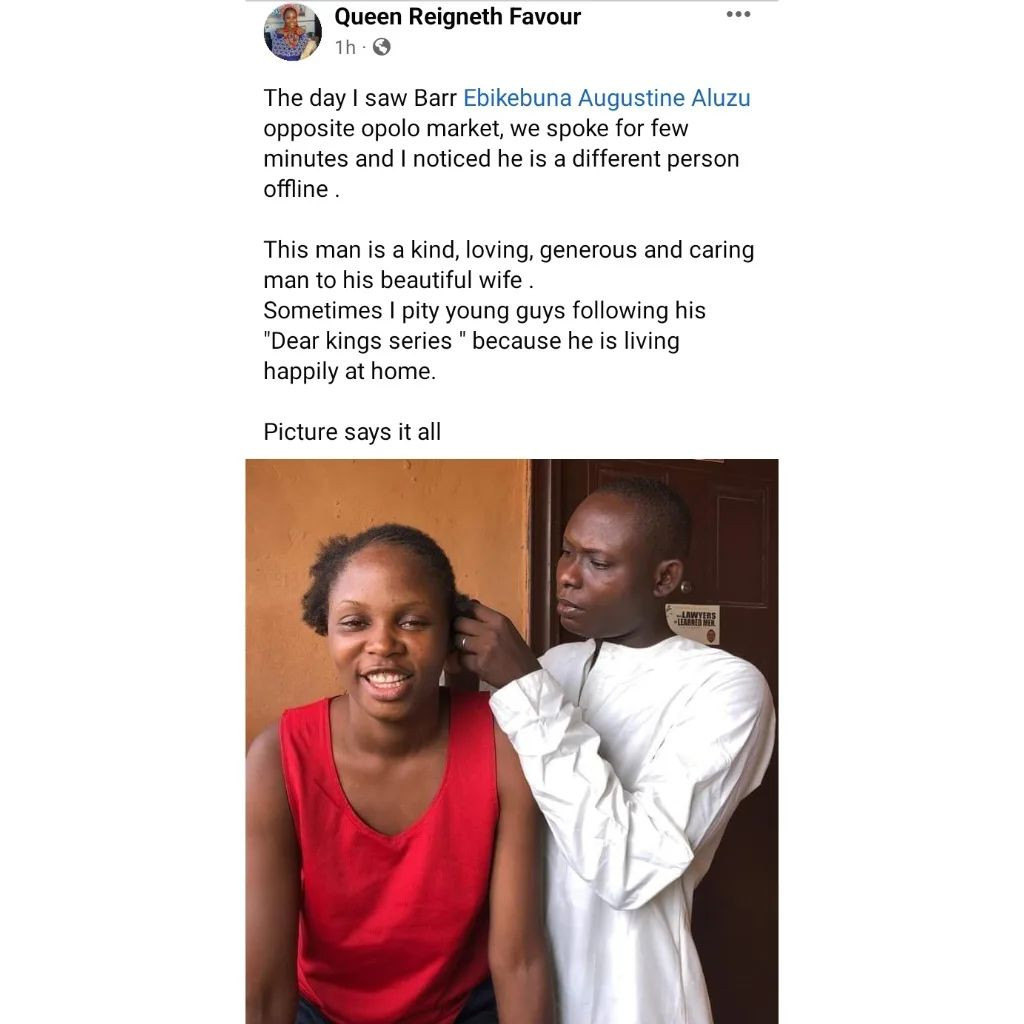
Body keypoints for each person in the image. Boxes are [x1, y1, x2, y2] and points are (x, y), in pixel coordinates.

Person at [454, 479, 776, 1024]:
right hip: (517, 991)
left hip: (630, 996)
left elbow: (628, 867)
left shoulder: (726, 687)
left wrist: (525, 687)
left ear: (664, 578)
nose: (567, 575)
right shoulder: (555, 666)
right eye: (566, 551)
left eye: (598, 562)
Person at [246, 524, 553, 1024]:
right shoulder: (276, 758)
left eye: (412, 622)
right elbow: (261, 990)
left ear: (450, 634)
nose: (383, 643)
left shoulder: (503, 746)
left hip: (460, 1010)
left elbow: (519, 961)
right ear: (327, 629)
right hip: (319, 1011)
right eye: (354, 622)